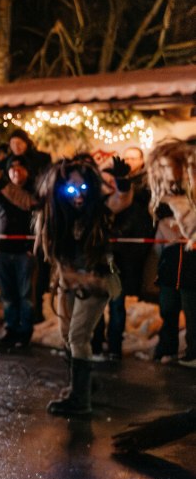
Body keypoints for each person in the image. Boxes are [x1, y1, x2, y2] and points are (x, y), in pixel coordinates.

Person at [35, 156, 124, 415]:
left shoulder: (100, 209)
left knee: (78, 336)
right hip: (68, 281)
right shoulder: (58, 214)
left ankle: (80, 401)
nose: (78, 195)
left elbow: (122, 200)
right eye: (71, 188)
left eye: (83, 188)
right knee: (66, 336)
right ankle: (82, 385)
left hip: (96, 281)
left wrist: (123, 182)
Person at [93, 153, 152, 359]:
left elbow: (127, 206)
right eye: (106, 177)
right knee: (96, 305)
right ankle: (96, 344)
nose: (109, 181)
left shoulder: (127, 201)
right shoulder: (94, 202)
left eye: (113, 178)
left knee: (116, 305)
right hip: (97, 260)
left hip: (119, 262)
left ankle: (115, 345)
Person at [146, 139, 196, 367]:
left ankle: (193, 351)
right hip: (171, 255)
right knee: (168, 307)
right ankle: (168, 347)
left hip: (191, 258)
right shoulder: (167, 192)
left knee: (192, 307)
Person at [0, 156, 38, 347]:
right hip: (1, 252)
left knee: (25, 294)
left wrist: (33, 249)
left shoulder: (33, 195)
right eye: (12, 169)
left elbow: (39, 225)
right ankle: (11, 328)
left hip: (24, 252)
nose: (16, 171)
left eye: (20, 168)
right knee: (7, 294)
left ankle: (25, 331)